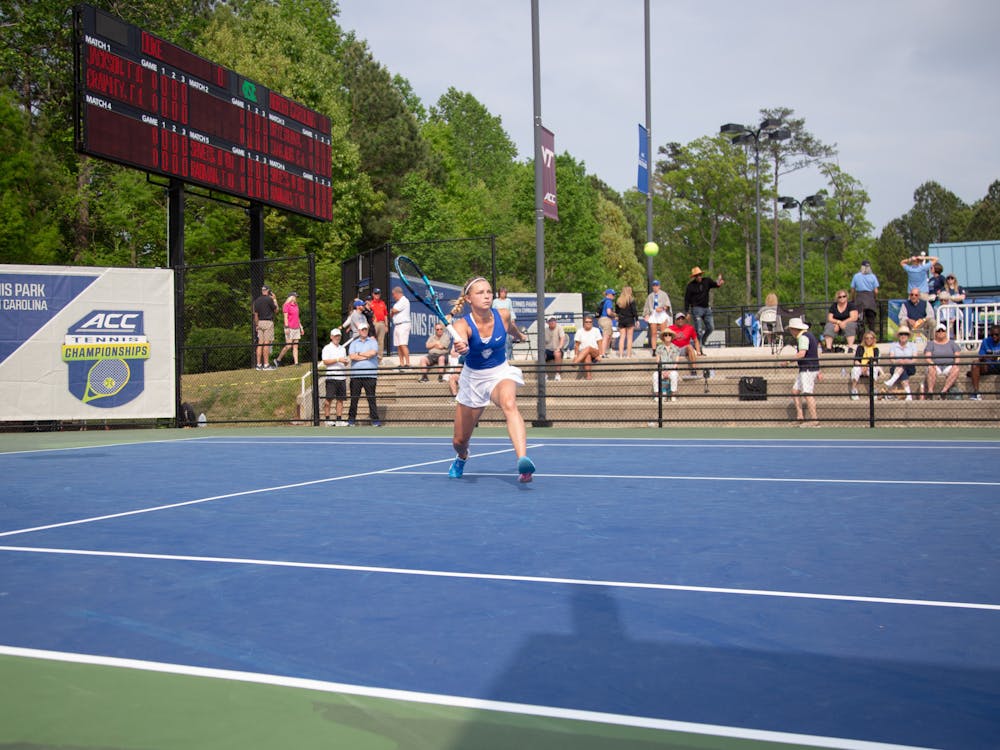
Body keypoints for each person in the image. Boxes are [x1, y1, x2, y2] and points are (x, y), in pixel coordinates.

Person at [447, 276, 534, 483]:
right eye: (480, 293)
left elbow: (510, 328)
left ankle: (523, 462)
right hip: (473, 381)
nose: (486, 296)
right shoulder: (462, 324)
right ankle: (462, 457)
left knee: (509, 403)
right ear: (468, 298)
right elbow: (460, 343)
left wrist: (519, 335)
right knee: (459, 441)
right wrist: (461, 347)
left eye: (489, 292)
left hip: (499, 373)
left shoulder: (502, 315)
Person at [785, 317, 820, 427]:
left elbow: (802, 354)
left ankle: (814, 420)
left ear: (794, 329)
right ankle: (800, 416)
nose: (790, 332)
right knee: (795, 391)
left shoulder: (803, 338)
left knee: (808, 393)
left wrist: (788, 361)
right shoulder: (809, 336)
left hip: (808, 369)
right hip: (807, 368)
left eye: (791, 330)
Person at [347, 322, 381, 426]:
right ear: (359, 331)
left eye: (365, 329)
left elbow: (373, 353)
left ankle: (375, 420)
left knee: (371, 399)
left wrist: (359, 354)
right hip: (356, 376)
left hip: (370, 375)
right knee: (354, 399)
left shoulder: (372, 341)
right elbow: (352, 356)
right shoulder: (354, 343)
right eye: (362, 329)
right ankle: (351, 420)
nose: (364, 331)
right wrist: (366, 356)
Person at [683, 266, 724, 350]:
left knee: (711, 327)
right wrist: (687, 312)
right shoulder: (690, 286)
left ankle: (704, 340)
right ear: (694, 277)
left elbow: (715, 284)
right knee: (698, 329)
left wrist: (719, 283)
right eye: (697, 276)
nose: (699, 277)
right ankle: (699, 346)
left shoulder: (707, 281)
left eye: (700, 275)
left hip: (706, 308)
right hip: (696, 309)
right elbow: (686, 299)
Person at [923, 322, 962, 399]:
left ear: (945, 332)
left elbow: (957, 356)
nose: (940, 332)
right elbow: (927, 357)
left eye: (942, 331)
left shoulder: (952, 343)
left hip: (948, 366)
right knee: (931, 368)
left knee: (956, 369)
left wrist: (955, 364)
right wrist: (932, 363)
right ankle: (930, 391)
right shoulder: (931, 344)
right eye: (938, 331)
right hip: (935, 366)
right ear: (936, 333)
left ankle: (944, 391)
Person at [320, 328, 349, 425]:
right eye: (335, 336)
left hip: (341, 377)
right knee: (329, 399)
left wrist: (345, 362)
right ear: (331, 337)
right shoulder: (327, 348)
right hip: (331, 377)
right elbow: (325, 361)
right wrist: (337, 359)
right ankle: (327, 419)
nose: (337, 338)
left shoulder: (343, 348)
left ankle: (339, 420)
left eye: (339, 336)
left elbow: (344, 362)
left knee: (340, 400)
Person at [882, 326, 917, 400]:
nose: (903, 336)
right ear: (898, 336)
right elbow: (892, 359)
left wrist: (907, 361)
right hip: (896, 367)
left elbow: (914, 360)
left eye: (905, 334)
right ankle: (908, 395)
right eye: (901, 334)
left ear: (908, 336)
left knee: (902, 367)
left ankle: (892, 381)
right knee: (902, 369)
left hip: (910, 367)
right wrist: (898, 361)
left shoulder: (912, 345)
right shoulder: (893, 345)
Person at [969, 324, 1000, 401]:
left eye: (996, 334)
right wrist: (990, 357)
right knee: (975, 363)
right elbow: (981, 357)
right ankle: (976, 393)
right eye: (992, 335)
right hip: (988, 366)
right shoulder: (986, 341)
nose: (994, 336)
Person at [850, 329, 884, 400]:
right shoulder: (860, 347)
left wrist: (867, 366)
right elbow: (856, 360)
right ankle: (854, 390)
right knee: (855, 369)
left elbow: (875, 361)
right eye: (867, 338)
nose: (869, 340)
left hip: (870, 366)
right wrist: (862, 366)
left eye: (871, 338)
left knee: (874, 369)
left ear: (873, 339)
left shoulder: (875, 349)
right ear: (864, 339)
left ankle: (874, 390)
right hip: (860, 366)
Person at [491, 286, 523, 360]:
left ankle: (509, 358)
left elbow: (511, 311)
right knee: (501, 341)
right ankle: (501, 358)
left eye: (504, 292)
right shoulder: (495, 301)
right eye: (501, 292)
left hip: (508, 323)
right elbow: (493, 311)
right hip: (498, 323)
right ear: (499, 293)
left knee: (508, 341)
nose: (503, 293)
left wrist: (513, 320)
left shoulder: (508, 300)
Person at [850, 260, 880, 337]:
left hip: (859, 298)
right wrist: (875, 298)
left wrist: (853, 299)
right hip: (870, 298)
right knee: (871, 321)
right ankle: (872, 337)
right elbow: (876, 291)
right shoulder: (873, 276)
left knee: (860, 320)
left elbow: (852, 290)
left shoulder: (856, 276)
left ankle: (861, 338)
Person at [642, 280, 671, 355]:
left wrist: (662, 308)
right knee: (653, 333)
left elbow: (667, 305)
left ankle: (665, 348)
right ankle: (654, 350)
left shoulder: (664, 294)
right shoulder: (650, 296)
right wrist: (646, 314)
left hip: (661, 313)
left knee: (664, 332)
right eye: (654, 285)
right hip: (653, 314)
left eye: (656, 285)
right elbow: (647, 306)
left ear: (659, 286)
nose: (655, 287)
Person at [252, 284, 278, 370]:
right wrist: (274, 299)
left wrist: (257, 325)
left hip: (260, 323)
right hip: (268, 322)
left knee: (260, 343)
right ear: (268, 291)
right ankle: (266, 365)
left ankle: (258, 365)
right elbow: (276, 310)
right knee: (266, 343)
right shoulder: (269, 299)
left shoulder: (257, 301)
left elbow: (255, 315)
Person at [274, 291, 303, 366]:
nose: (296, 298)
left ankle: (296, 363)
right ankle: (278, 360)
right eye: (295, 296)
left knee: (296, 346)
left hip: (296, 328)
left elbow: (297, 317)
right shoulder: (286, 305)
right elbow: (285, 317)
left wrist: (301, 327)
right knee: (289, 346)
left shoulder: (296, 305)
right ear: (291, 297)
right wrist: (286, 327)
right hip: (290, 327)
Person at [937, 273, 967, 339]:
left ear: (954, 279)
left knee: (958, 320)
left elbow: (962, 297)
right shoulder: (943, 289)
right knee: (943, 321)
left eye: (952, 278)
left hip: (957, 309)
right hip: (946, 311)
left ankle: (957, 337)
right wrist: (955, 298)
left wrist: (951, 298)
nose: (950, 279)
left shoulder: (959, 288)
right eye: (948, 278)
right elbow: (941, 296)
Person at [572, 315, 602, 380]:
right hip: (583, 353)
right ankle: (588, 376)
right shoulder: (579, 331)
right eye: (587, 322)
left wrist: (600, 355)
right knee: (587, 355)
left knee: (588, 348)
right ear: (583, 323)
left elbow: (600, 344)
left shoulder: (596, 330)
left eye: (590, 322)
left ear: (592, 323)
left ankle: (576, 362)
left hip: (594, 352)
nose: (588, 323)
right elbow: (576, 345)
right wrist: (575, 355)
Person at [654, 328, 680, 401]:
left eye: (669, 335)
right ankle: (657, 395)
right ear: (663, 337)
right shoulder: (659, 348)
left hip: (672, 370)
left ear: (671, 337)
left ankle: (673, 395)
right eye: (665, 335)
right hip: (662, 369)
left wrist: (670, 371)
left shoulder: (676, 348)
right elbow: (658, 361)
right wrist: (662, 371)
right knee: (655, 375)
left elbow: (676, 363)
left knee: (674, 375)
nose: (668, 336)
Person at [615, 285, 639, 358]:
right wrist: (637, 320)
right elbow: (634, 311)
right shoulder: (631, 300)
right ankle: (628, 355)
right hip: (629, 319)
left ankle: (621, 355)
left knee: (622, 337)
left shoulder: (619, 300)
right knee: (629, 338)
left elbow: (617, 311)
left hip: (621, 320)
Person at [390, 286, 411, 367]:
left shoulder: (404, 300)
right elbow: (391, 314)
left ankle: (408, 363)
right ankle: (401, 363)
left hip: (403, 324)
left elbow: (394, 311)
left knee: (403, 344)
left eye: (394, 294)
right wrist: (392, 311)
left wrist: (392, 311)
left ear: (398, 293)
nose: (393, 296)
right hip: (397, 325)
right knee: (398, 345)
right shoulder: (397, 303)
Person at [543, 316, 567, 381]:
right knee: (541, 355)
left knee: (557, 354)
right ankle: (544, 375)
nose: (552, 322)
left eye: (554, 320)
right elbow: (542, 342)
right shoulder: (545, 330)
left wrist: (559, 347)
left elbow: (562, 339)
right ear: (547, 322)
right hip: (548, 350)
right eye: (550, 321)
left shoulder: (559, 328)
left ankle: (557, 374)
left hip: (557, 349)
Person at [596, 288, 616, 357]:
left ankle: (604, 352)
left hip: (600, 319)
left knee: (607, 336)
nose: (614, 296)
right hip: (606, 319)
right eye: (613, 294)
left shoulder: (602, 301)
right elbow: (609, 312)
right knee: (606, 336)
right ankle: (602, 353)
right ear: (609, 294)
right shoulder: (609, 301)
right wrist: (615, 315)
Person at [369, 288, 389, 356]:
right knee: (373, 340)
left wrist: (386, 325)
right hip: (374, 323)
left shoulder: (382, 303)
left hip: (382, 323)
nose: (377, 295)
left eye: (378, 293)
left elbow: (385, 315)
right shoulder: (370, 303)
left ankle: (380, 357)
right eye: (376, 293)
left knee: (381, 341)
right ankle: (372, 356)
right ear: (373, 294)